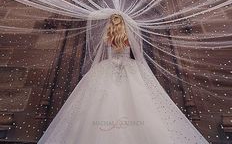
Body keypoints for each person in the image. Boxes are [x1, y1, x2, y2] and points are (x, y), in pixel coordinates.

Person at [38, 13, 209, 144]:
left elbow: (103, 52)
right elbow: (139, 54)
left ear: (111, 22)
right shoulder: (130, 33)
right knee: (142, 101)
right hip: (130, 67)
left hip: (107, 67)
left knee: (98, 102)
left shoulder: (108, 34)